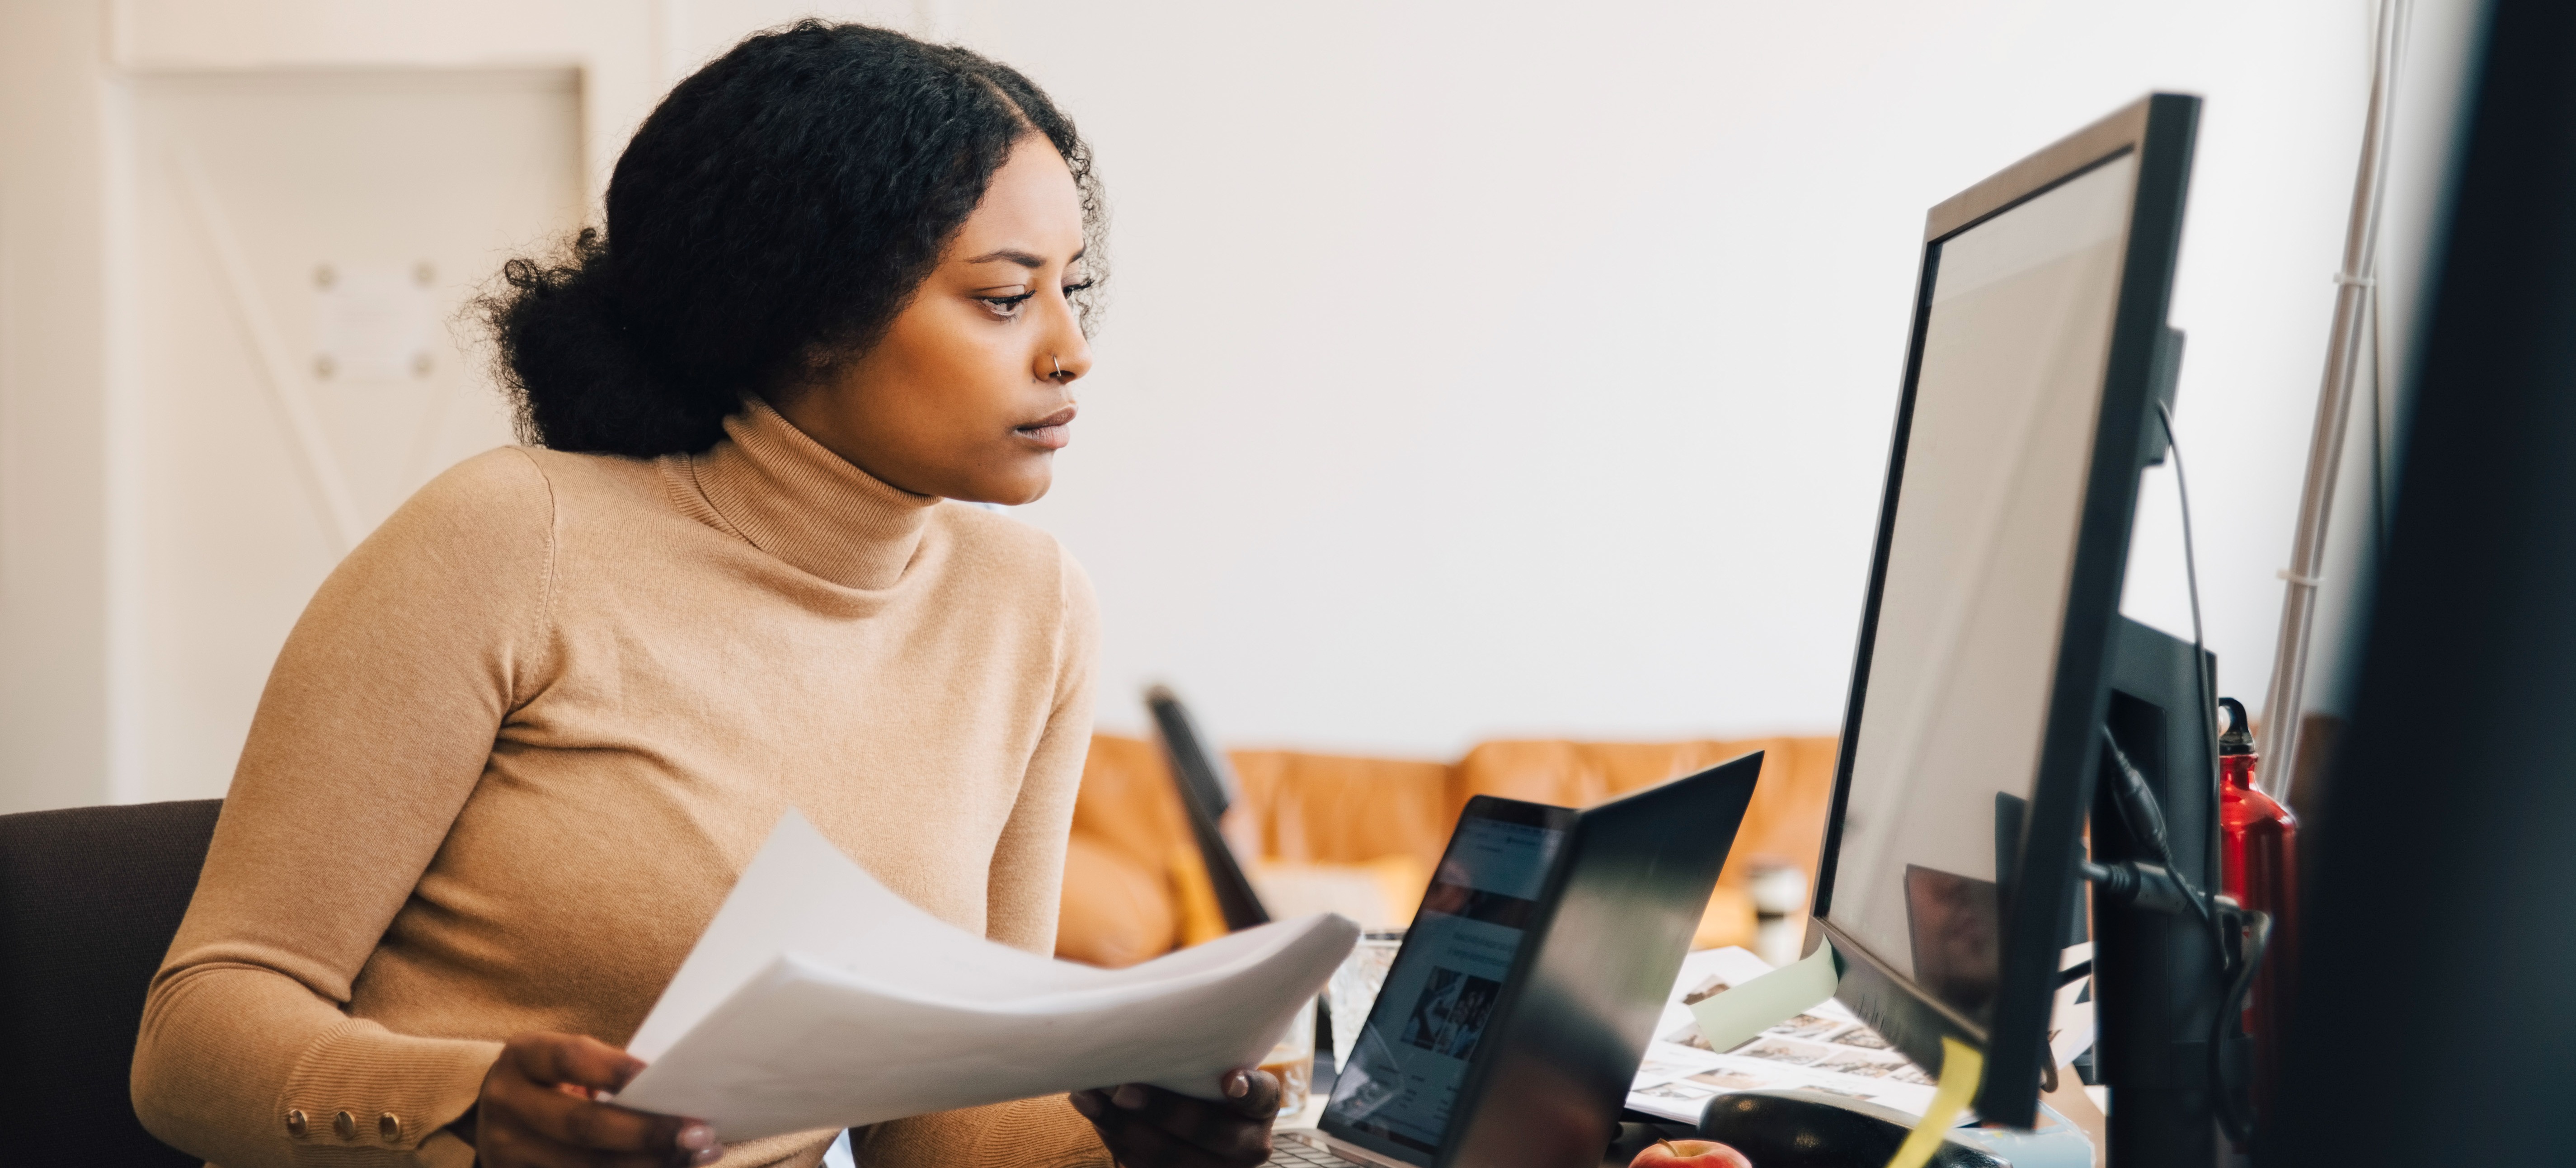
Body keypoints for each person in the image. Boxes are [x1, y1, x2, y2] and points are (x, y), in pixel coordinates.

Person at [132, 22, 1279, 1168]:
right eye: (1003, 298)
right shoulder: (509, 536)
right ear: (815, 309)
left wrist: (1136, 1138)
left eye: (1071, 290)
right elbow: (191, 1035)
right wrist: (469, 1103)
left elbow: (938, 1122)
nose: (1073, 349)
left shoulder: (1034, 609)